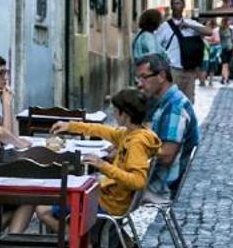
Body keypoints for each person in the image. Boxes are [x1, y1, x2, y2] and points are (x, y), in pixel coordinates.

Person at [52, 88, 160, 219]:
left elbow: (138, 181)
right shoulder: (132, 133)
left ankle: (80, 239)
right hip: (109, 198)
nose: (113, 114)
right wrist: (70, 126)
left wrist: (103, 166)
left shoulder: (136, 143)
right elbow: (101, 130)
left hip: (110, 204)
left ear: (124, 115)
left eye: (115, 111)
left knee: (45, 210)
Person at [135, 54, 199, 189]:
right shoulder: (162, 103)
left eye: (144, 77)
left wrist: (132, 151)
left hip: (157, 186)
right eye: (138, 78)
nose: (140, 84)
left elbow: (166, 156)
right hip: (149, 179)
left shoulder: (175, 107)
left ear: (162, 76)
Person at [158, 0, 208, 103]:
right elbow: (158, 47)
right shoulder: (165, 27)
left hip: (189, 70)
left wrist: (189, 26)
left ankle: (186, 120)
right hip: (173, 69)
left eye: (178, 3)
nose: (176, 6)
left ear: (183, 6)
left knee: (188, 101)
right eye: (174, 3)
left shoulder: (190, 23)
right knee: (173, 100)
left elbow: (209, 31)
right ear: (171, 6)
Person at [218, 21, 233, 85]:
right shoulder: (221, 30)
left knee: (227, 65)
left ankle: (224, 78)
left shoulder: (230, 30)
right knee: (225, 64)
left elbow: (232, 38)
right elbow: (223, 36)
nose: (228, 24)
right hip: (223, 48)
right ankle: (226, 78)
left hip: (230, 48)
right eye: (227, 23)